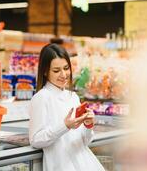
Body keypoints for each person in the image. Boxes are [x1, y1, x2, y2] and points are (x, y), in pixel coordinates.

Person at [29, 43, 105, 171]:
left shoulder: (73, 97)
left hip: (85, 163)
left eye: (66, 68)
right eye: (56, 70)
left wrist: (88, 125)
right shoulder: (41, 98)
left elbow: (84, 142)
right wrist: (65, 126)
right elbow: (36, 140)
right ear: (45, 72)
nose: (63, 74)